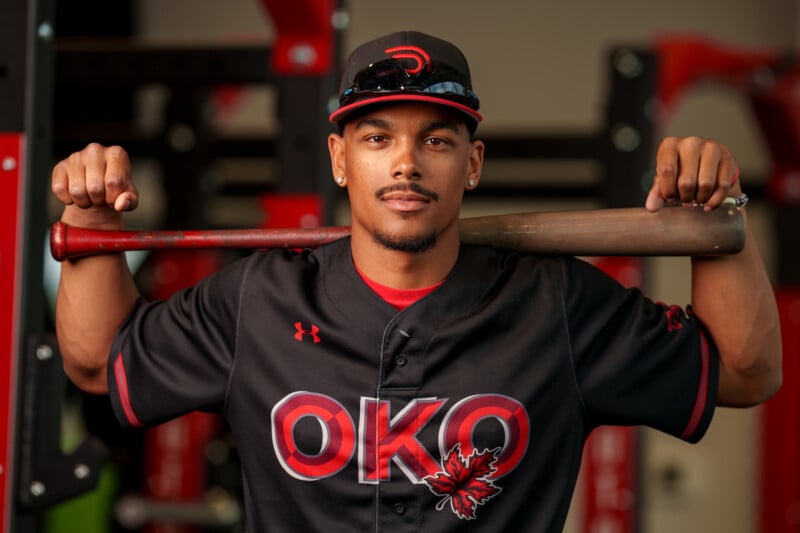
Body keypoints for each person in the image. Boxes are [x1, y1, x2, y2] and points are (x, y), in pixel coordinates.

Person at [51, 31, 781, 532]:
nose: (406, 162)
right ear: (340, 159)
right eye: (378, 138)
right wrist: (91, 220)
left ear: (472, 162)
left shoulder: (556, 305)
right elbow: (97, 359)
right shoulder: (258, 300)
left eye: (436, 139)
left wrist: (720, 220)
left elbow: (744, 371)